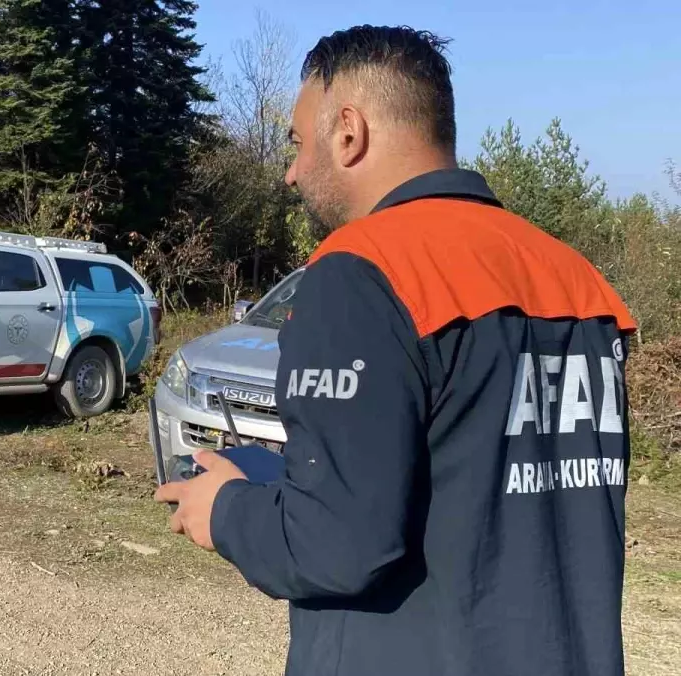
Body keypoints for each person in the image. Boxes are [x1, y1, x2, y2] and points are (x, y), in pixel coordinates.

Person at [155, 24, 637, 676]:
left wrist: (226, 511)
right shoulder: (575, 280)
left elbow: (334, 545)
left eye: (297, 144)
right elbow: (482, 485)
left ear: (348, 132)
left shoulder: (362, 270)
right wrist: (271, 484)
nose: (292, 173)